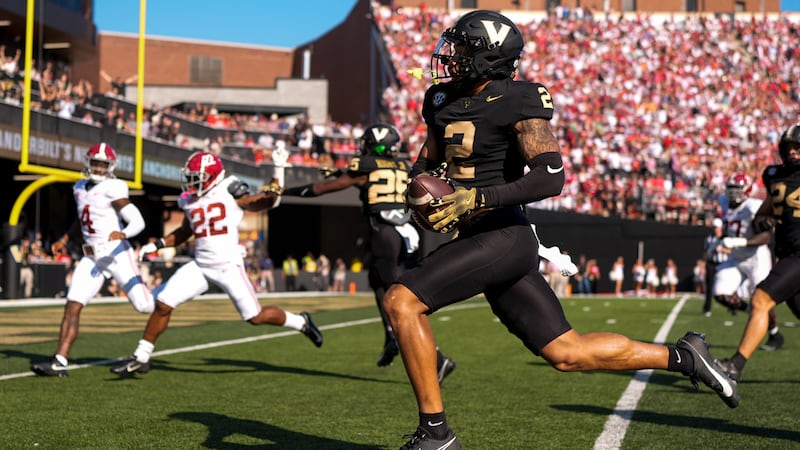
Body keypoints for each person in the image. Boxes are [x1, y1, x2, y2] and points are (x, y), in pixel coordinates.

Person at [381, 11, 738, 449]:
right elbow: (425, 163)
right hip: (476, 237)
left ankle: (436, 434)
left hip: (503, 235)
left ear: (488, 59)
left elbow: (550, 177)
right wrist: (417, 199)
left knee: (401, 301)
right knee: (569, 353)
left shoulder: (519, 99)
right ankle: (684, 356)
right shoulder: (439, 100)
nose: (450, 56)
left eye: (463, 49)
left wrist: (475, 198)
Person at [110, 149, 322, 376]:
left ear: (211, 176)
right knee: (163, 304)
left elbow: (269, 201)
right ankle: (141, 357)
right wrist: (158, 244)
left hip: (227, 265)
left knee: (254, 317)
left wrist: (278, 170)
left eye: (195, 178)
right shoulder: (190, 200)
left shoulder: (231, 191)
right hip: (200, 265)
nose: (190, 184)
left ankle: (300, 322)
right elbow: (185, 231)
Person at [281, 123, 456, 377]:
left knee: (399, 298)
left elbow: (321, 189)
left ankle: (437, 358)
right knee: (377, 281)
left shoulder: (365, 166)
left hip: (384, 233)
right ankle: (390, 337)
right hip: (408, 233)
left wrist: (285, 191)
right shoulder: (402, 165)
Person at [31, 143, 154, 377]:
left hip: (116, 253)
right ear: (88, 162)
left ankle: (162, 306)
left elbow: (137, 220)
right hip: (91, 256)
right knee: (72, 304)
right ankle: (60, 360)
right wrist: (65, 239)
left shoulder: (114, 187)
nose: (98, 167)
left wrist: (124, 233)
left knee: (144, 305)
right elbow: (83, 218)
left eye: (103, 164)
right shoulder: (79, 187)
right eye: (95, 162)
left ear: (110, 167)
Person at [716, 125, 800, 381]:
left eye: (798, 148)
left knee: (760, 299)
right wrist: (764, 219)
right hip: (788, 253)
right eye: (790, 148)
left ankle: (735, 365)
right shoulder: (773, 175)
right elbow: (767, 209)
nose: (794, 153)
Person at [713, 173, 783, 349]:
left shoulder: (753, 206)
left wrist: (739, 241)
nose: (732, 193)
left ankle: (775, 334)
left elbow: (767, 236)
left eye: (737, 189)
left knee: (762, 298)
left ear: (747, 190)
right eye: (731, 189)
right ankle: (749, 311)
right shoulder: (723, 202)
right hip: (735, 258)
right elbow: (729, 226)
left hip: (756, 258)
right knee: (719, 293)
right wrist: (719, 240)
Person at [703, 218, 727, 316]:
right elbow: (705, 253)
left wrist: (722, 250)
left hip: (724, 264)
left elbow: (732, 251)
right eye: (714, 227)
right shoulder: (709, 238)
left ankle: (732, 307)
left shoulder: (726, 238)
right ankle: (707, 308)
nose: (715, 229)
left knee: (728, 288)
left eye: (716, 227)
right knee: (709, 287)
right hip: (711, 264)